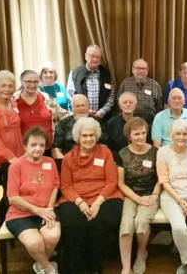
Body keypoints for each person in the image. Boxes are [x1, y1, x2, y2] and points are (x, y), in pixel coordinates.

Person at [58, 117, 123, 274]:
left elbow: (111, 181)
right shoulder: (68, 158)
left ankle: (94, 265)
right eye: (84, 136)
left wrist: (97, 203)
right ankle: (76, 267)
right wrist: (80, 203)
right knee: (74, 225)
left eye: (91, 135)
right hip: (75, 198)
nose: (88, 139)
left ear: (97, 136)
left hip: (105, 196)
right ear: (78, 137)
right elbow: (66, 186)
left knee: (98, 224)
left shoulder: (105, 152)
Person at [5, 127, 60, 274]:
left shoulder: (50, 162)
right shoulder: (16, 165)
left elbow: (55, 186)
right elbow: (13, 197)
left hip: (46, 209)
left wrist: (49, 208)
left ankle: (40, 264)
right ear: (25, 146)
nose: (38, 148)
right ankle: (48, 268)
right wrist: (38, 211)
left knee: (52, 237)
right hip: (20, 213)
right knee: (34, 242)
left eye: (42, 145)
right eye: (33, 145)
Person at [156, 119, 187, 274]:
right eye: (178, 133)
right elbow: (164, 181)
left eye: (185, 134)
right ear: (171, 134)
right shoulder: (162, 152)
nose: (181, 137)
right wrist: (180, 201)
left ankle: (186, 255)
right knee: (179, 228)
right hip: (171, 197)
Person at [116, 117, 160, 274]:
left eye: (143, 133)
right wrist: (137, 198)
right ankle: (126, 267)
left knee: (141, 223)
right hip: (130, 194)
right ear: (129, 136)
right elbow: (120, 184)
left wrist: (154, 195)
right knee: (126, 225)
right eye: (136, 134)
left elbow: (161, 179)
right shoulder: (122, 154)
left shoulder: (155, 152)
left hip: (151, 195)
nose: (141, 137)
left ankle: (141, 253)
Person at [0, 71, 25, 227]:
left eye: (10, 85)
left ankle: (10, 220)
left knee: (17, 188)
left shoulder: (14, 103)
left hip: (18, 153)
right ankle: (3, 222)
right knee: (9, 190)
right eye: (3, 85)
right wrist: (9, 157)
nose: (7, 89)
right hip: (1, 156)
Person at [12, 70, 69, 156]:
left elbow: (63, 114)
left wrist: (83, 114)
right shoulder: (13, 100)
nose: (32, 85)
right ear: (21, 82)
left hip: (48, 149)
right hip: (25, 152)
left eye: (35, 82)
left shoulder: (46, 98)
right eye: (28, 82)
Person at [66, 44, 115, 119]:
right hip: (81, 118)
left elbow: (111, 96)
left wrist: (102, 112)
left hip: (102, 118)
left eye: (97, 57)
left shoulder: (106, 74)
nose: (95, 59)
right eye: (92, 56)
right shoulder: (75, 73)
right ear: (86, 56)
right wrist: (85, 111)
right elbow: (70, 95)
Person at [52, 94, 108, 159]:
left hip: (93, 162)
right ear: (72, 108)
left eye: (83, 105)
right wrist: (66, 163)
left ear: (88, 106)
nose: (81, 109)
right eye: (77, 106)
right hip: (69, 162)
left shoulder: (99, 123)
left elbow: (104, 147)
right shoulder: (63, 124)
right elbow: (56, 149)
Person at [118, 59, 163, 126]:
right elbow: (118, 104)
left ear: (147, 70)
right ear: (133, 69)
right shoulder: (125, 84)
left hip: (150, 124)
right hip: (127, 124)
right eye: (138, 68)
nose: (141, 71)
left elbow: (159, 107)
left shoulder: (154, 85)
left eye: (143, 69)